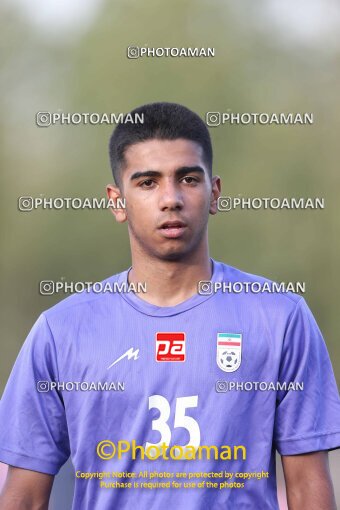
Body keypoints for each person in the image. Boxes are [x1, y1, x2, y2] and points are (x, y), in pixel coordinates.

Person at [0, 102, 339, 510]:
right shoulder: (62, 331)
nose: (171, 199)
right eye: (147, 183)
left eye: (188, 179)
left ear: (214, 193)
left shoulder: (280, 319)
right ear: (117, 201)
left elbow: (307, 488)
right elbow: (24, 496)